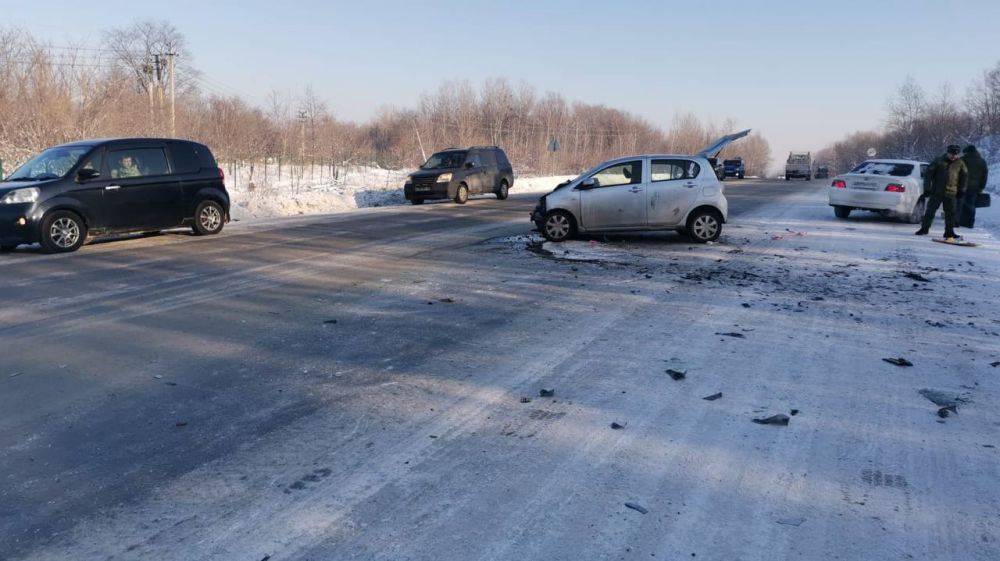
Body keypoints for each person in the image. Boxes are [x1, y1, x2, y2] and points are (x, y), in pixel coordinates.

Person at [916, 145, 967, 241]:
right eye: (951, 154)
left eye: (955, 155)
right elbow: (928, 175)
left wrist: (962, 190)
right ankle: (924, 229)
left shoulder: (960, 163)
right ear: (948, 152)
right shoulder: (938, 161)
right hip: (937, 192)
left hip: (951, 193)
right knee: (930, 211)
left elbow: (964, 177)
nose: (953, 156)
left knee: (950, 213)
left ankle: (949, 232)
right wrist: (927, 188)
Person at [959, 145, 989, 228]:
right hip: (975, 188)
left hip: (962, 186)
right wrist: (981, 187)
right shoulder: (982, 161)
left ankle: (959, 221)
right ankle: (970, 224)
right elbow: (985, 176)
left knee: (960, 204)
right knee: (971, 205)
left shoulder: (963, 159)